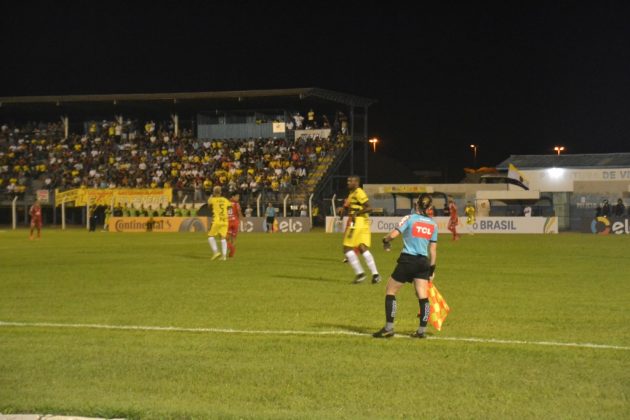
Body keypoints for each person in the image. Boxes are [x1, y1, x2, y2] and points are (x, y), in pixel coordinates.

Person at [373, 193, 438, 339]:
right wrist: (431, 270)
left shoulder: (409, 218)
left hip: (408, 260)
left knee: (390, 291)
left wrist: (385, 240)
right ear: (430, 207)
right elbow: (433, 250)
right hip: (423, 262)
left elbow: (393, 235)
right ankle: (421, 331)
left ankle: (389, 328)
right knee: (422, 295)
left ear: (416, 204)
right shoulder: (433, 224)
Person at [339, 176, 380, 284]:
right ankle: (376, 275)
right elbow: (352, 207)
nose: (348, 183)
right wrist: (344, 211)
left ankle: (360, 274)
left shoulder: (358, 192)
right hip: (363, 222)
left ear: (356, 182)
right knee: (362, 247)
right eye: (348, 181)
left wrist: (356, 213)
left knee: (347, 248)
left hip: (357, 222)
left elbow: (369, 208)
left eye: (350, 181)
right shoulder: (352, 193)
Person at [207, 186, 231, 260]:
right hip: (225, 221)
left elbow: (209, 206)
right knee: (223, 238)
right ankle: (224, 256)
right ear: (220, 192)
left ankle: (216, 252)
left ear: (214, 192)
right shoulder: (225, 200)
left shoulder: (212, 199)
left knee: (210, 236)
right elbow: (229, 208)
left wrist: (211, 196)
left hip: (217, 220)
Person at [227, 193, 243, 258]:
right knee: (233, 239)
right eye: (237, 197)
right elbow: (239, 212)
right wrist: (242, 219)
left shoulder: (226, 203)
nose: (238, 198)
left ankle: (230, 250)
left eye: (238, 197)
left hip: (228, 221)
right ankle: (232, 253)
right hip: (235, 222)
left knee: (226, 239)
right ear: (233, 196)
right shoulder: (237, 204)